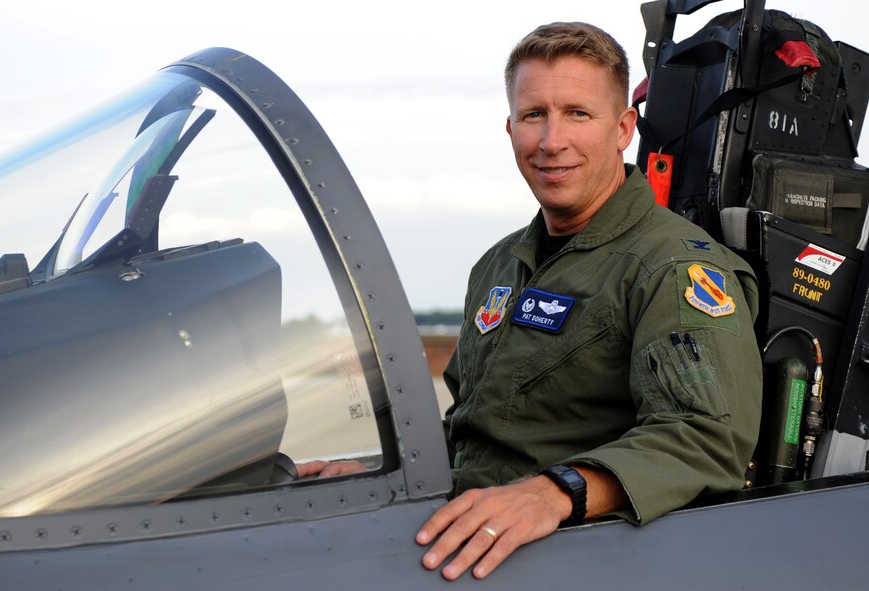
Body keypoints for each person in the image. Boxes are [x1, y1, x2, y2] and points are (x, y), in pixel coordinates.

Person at [299, 21, 762, 581]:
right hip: (467, 538)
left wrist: (552, 493)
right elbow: (475, 429)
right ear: (510, 126)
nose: (550, 142)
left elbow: (706, 438)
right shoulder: (499, 266)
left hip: (574, 557)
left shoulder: (674, 269)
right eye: (533, 115)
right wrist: (379, 471)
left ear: (622, 129)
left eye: (577, 114)